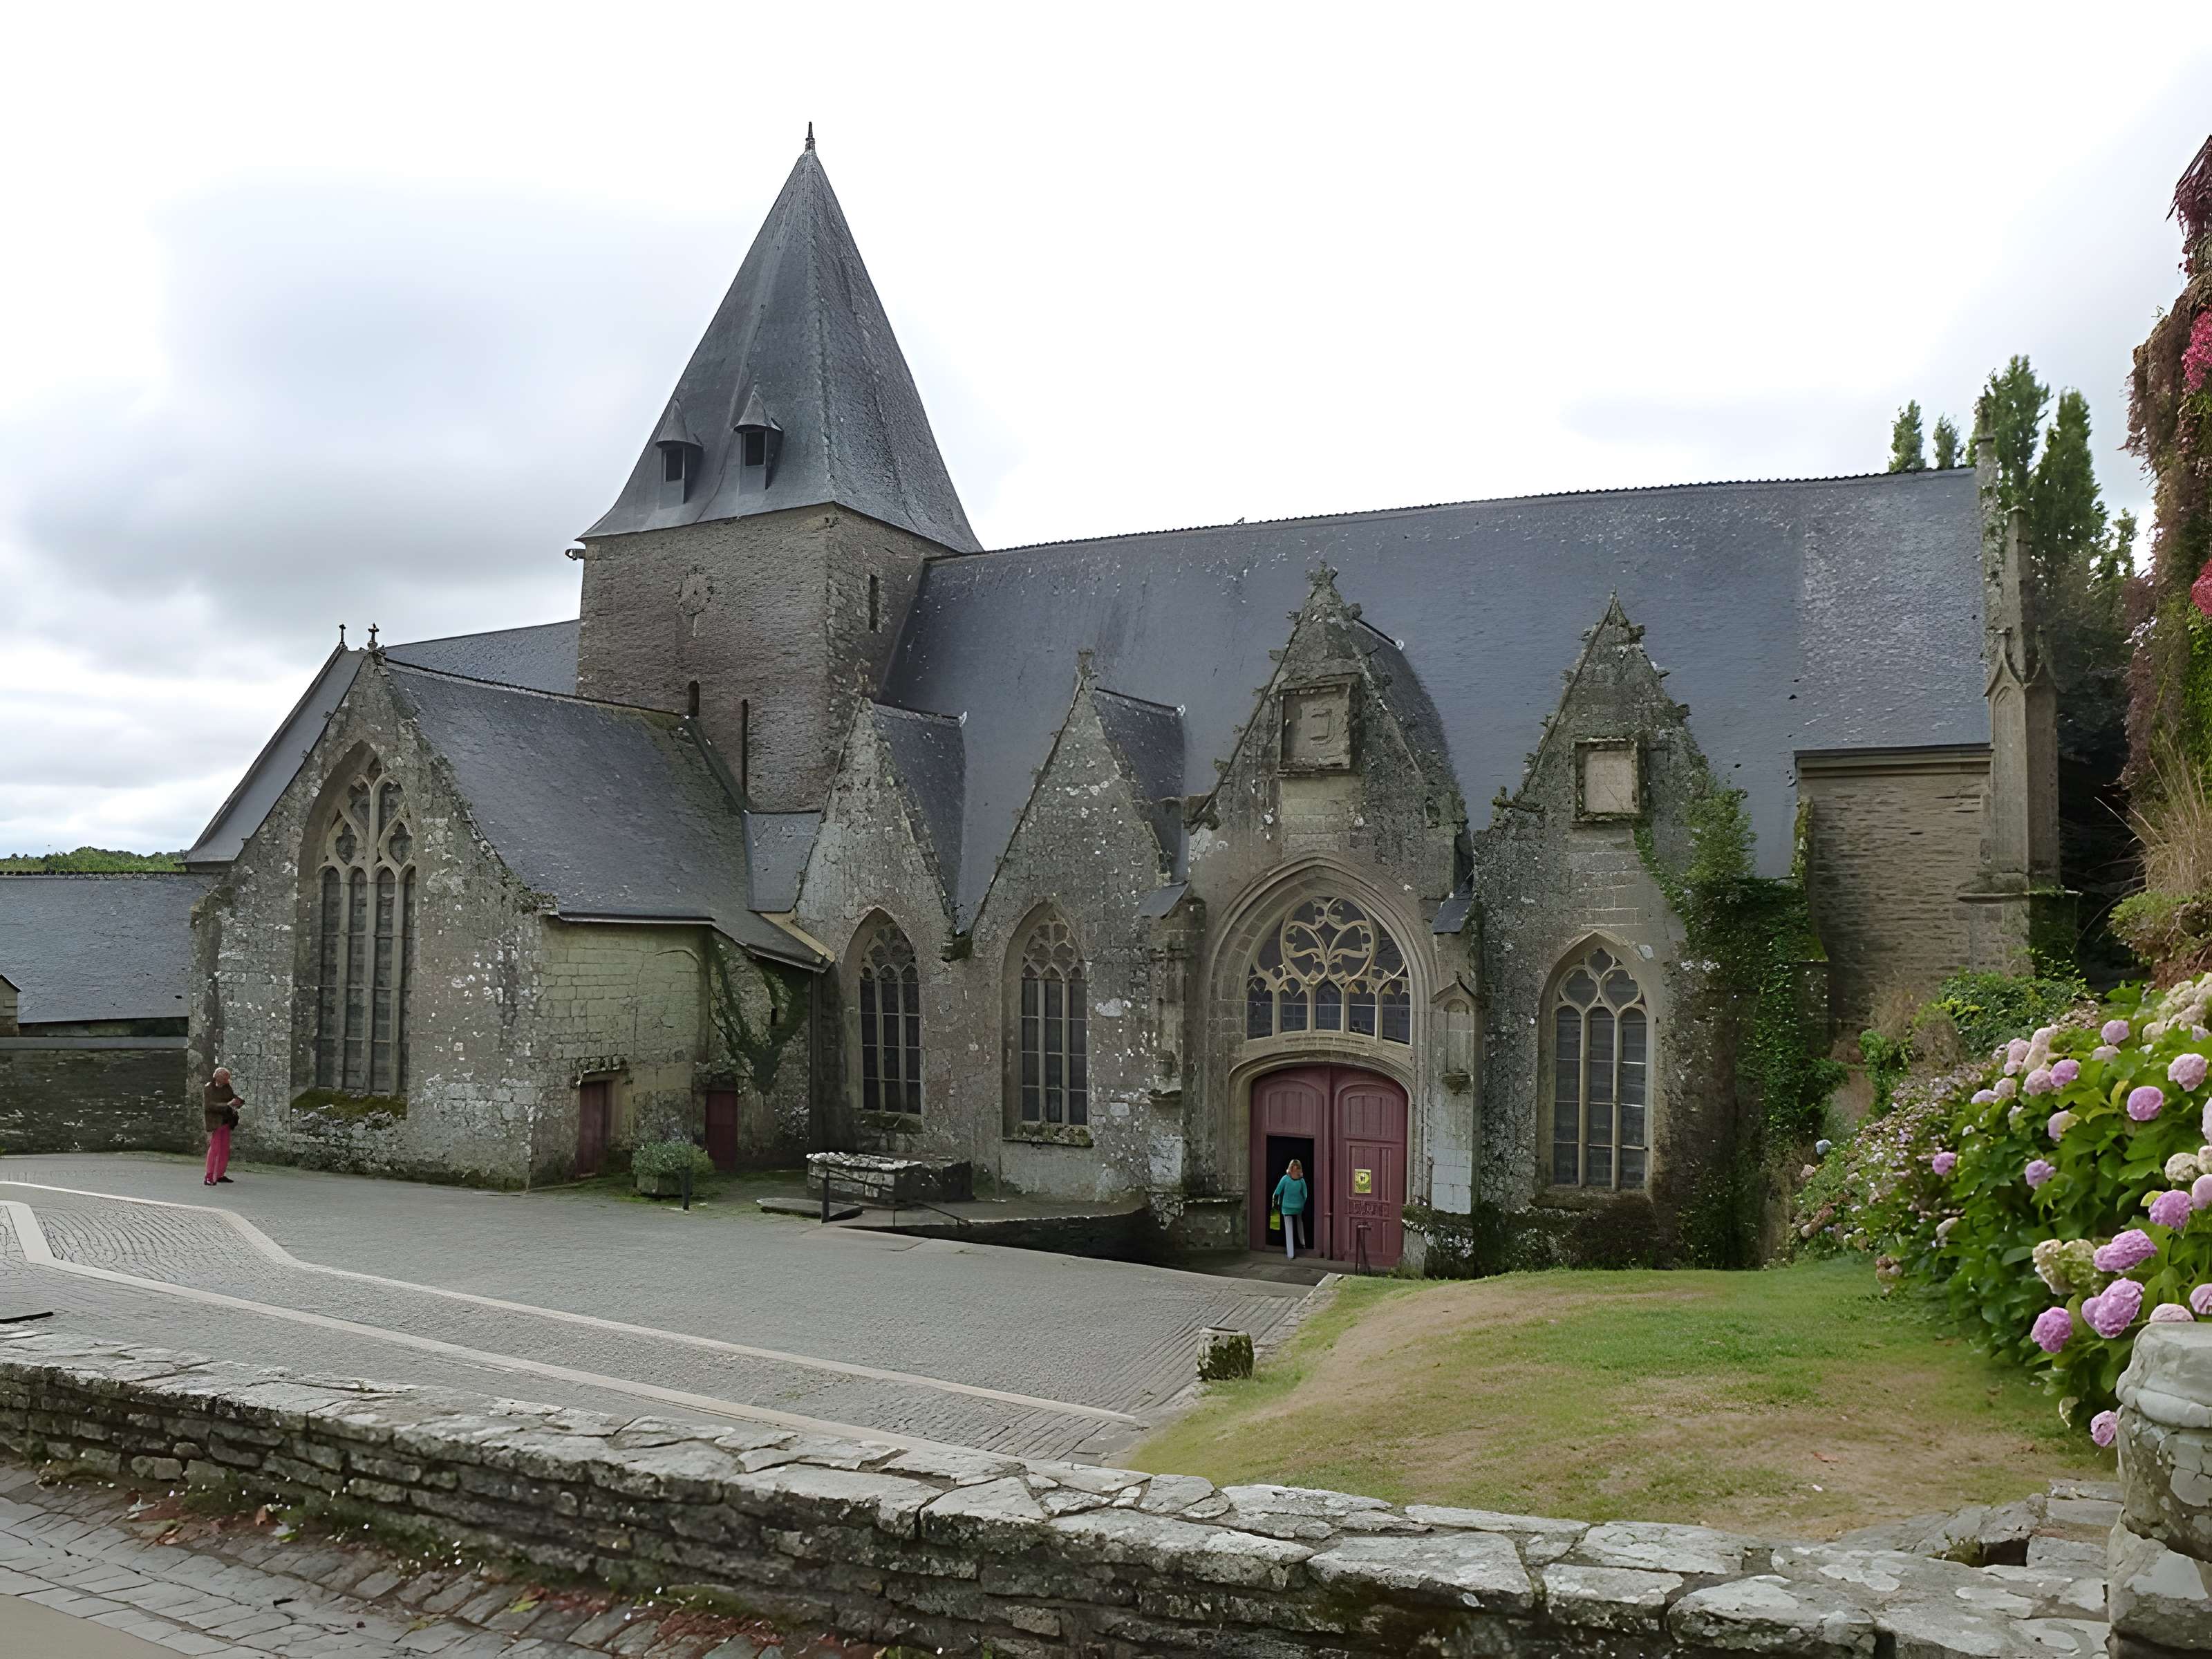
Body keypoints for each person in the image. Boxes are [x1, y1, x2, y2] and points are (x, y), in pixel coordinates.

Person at [202, 1068, 241, 1186]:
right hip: (215, 1122)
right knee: (214, 1149)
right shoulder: (209, 1088)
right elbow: (209, 1105)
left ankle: (219, 1175)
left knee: (224, 1149)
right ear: (218, 1077)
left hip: (226, 1121)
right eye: (225, 1078)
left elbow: (231, 1097)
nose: (227, 1080)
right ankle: (208, 1176)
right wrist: (228, 1105)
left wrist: (238, 1101)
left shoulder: (227, 1087)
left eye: (227, 1078)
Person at [1272, 1159, 1309, 1261]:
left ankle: (1291, 1254)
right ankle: (1303, 1243)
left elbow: (1277, 1192)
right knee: (1299, 1222)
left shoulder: (1285, 1179)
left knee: (1289, 1229)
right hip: (1299, 1207)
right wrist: (1301, 1203)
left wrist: (1275, 1208)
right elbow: (1305, 1195)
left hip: (1287, 1208)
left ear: (1290, 1168)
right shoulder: (1302, 1181)